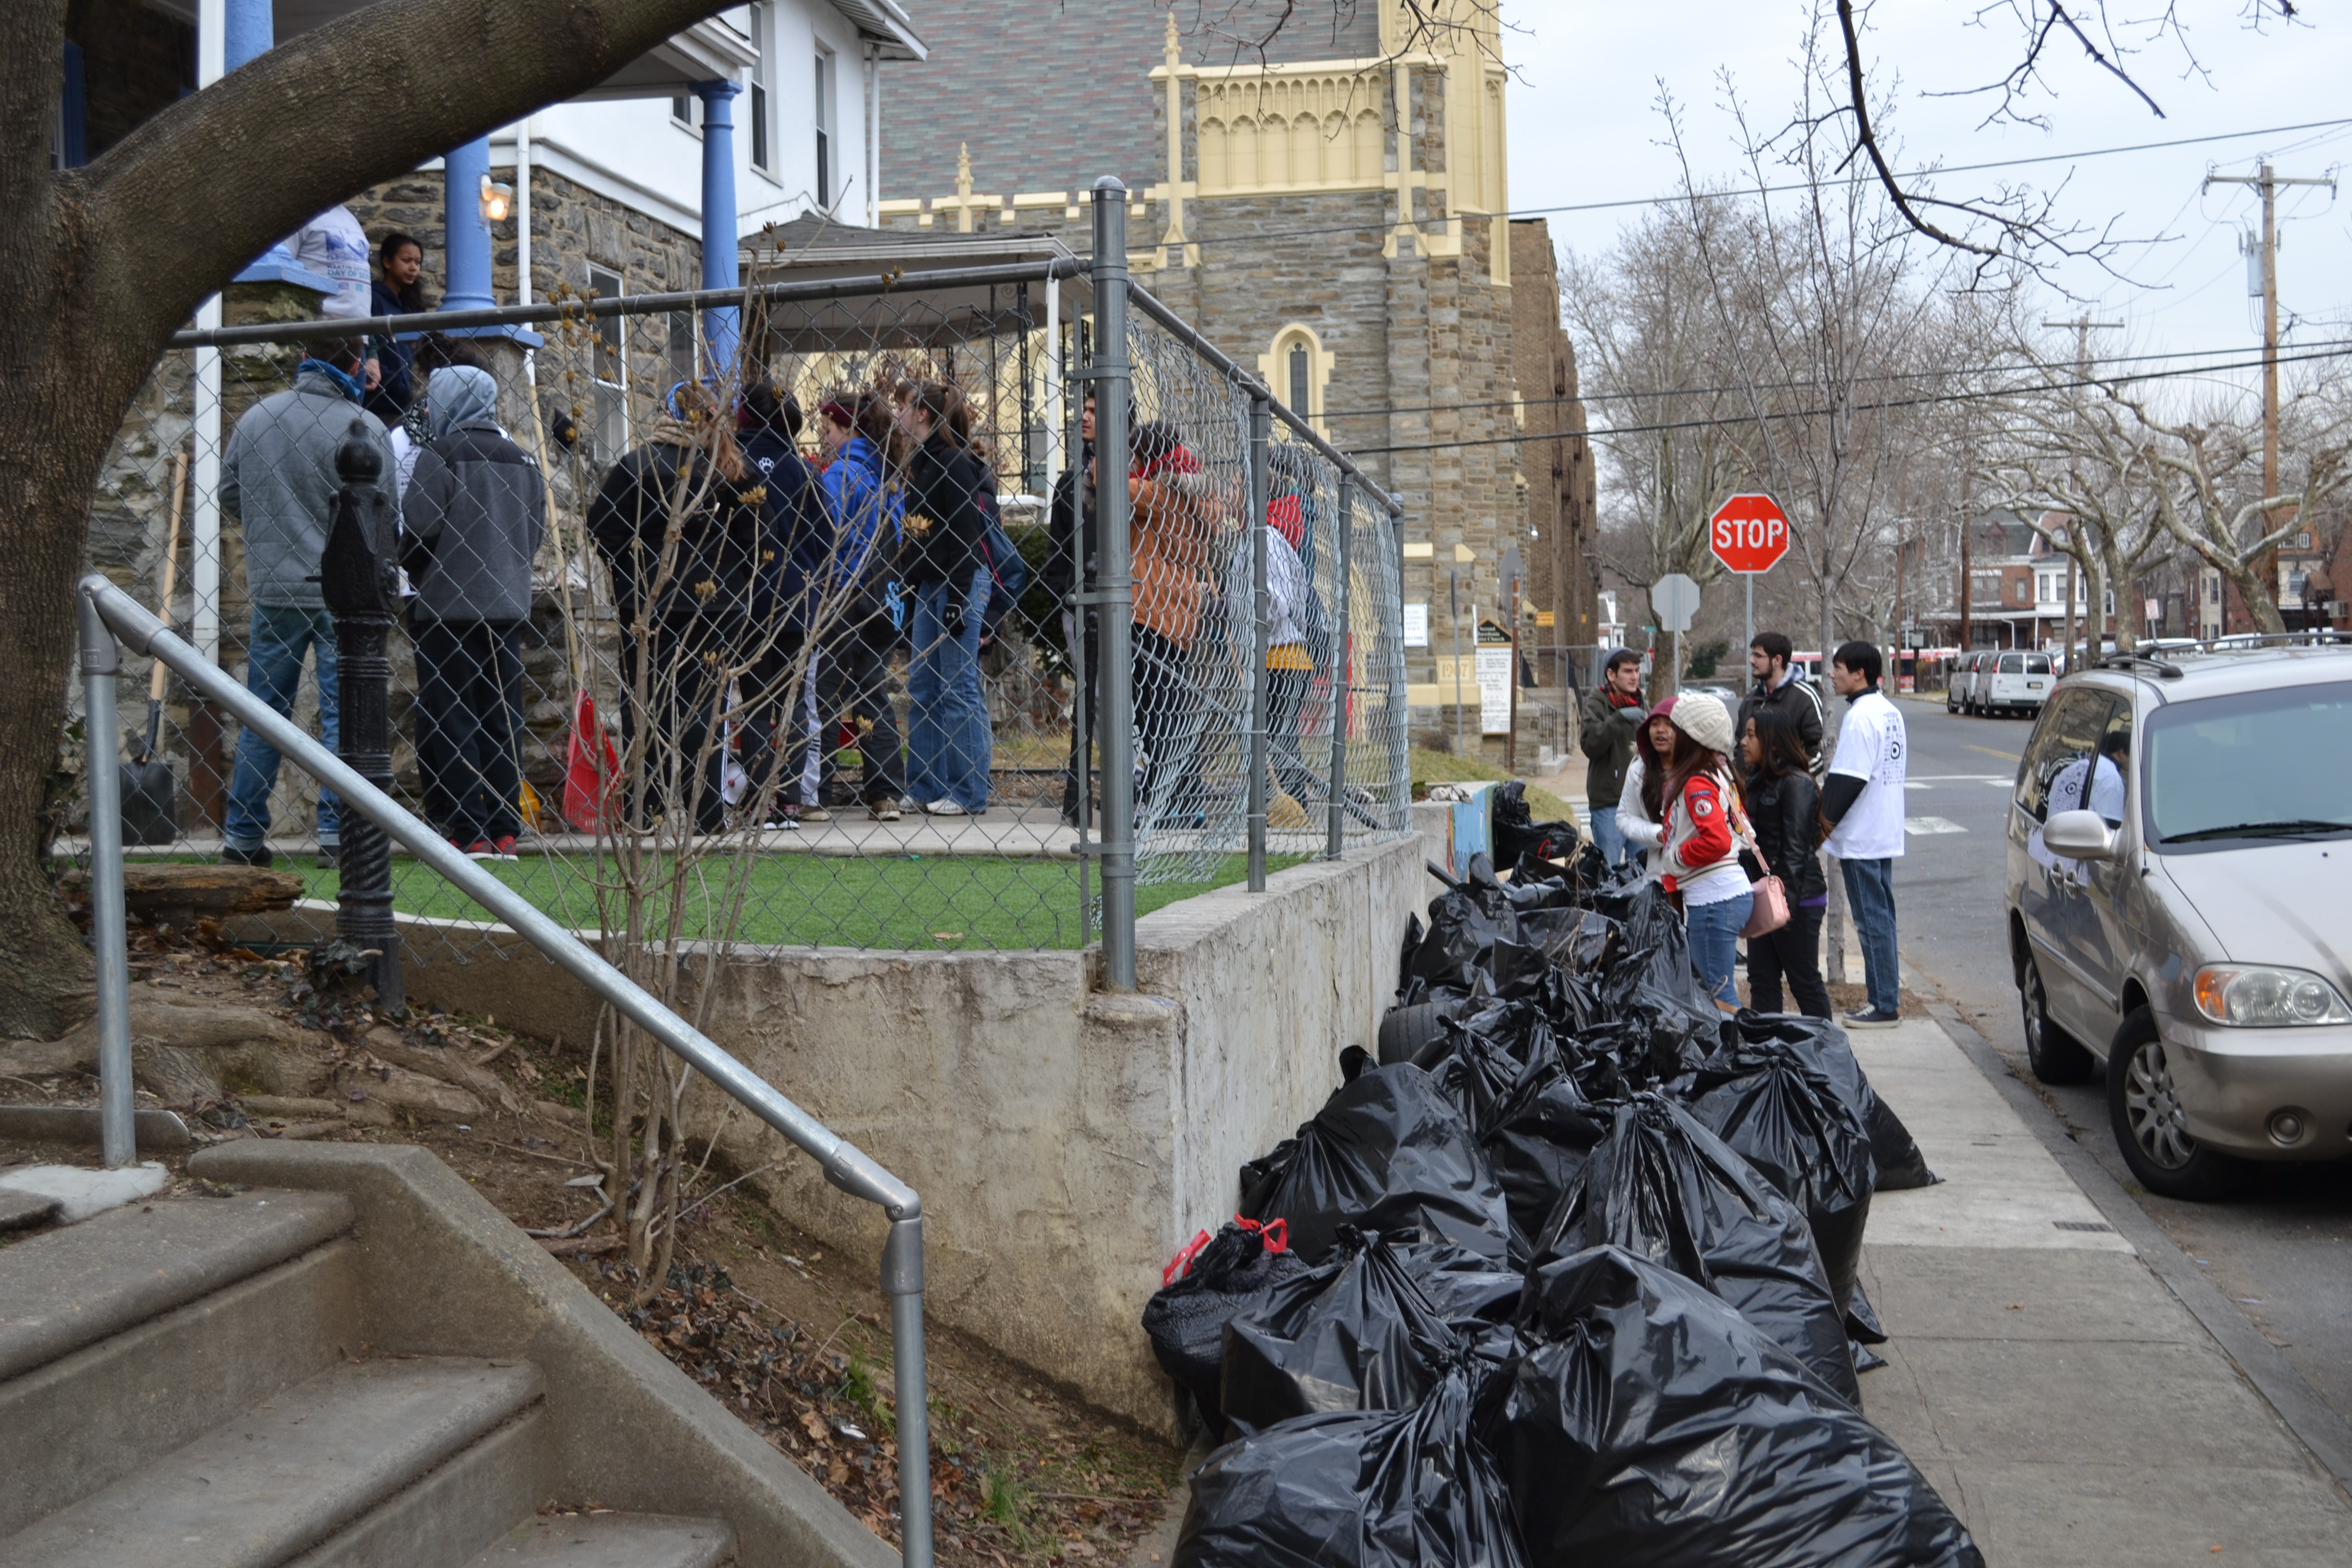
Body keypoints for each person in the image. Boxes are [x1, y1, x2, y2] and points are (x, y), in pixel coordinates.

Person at [218, 337, 396, 869]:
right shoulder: (367, 428)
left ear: (303, 356)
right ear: (355, 363)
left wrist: (277, 517)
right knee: (344, 711)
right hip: (345, 589)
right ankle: (336, 833)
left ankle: (242, 837)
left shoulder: (257, 419)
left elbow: (232, 493)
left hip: (276, 584)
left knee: (263, 712)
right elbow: (387, 511)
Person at [585, 382, 761, 836]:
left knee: (644, 704)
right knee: (706, 708)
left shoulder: (637, 466)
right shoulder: (730, 473)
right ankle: (706, 814)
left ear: (665, 413)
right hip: (715, 607)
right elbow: (758, 542)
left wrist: (633, 571)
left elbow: (602, 529)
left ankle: (645, 811)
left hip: (650, 604)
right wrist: (729, 582)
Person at [399, 364, 546, 859]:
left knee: (453, 718)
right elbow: (534, 533)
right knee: (502, 717)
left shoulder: (439, 456)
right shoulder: (524, 462)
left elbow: (419, 529)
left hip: (447, 609)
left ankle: (470, 828)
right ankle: (507, 826)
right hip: (505, 607)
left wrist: (421, 574)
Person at [897, 381, 995, 817]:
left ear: (921, 414)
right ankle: (924, 785)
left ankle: (968, 791)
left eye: (903, 407)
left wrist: (958, 598)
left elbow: (966, 536)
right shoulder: (921, 463)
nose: (897, 414)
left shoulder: (953, 463)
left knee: (957, 688)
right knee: (922, 686)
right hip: (929, 586)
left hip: (960, 582)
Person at [739, 382, 829, 829]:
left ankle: (757, 799)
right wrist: (806, 571)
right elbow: (827, 534)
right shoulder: (801, 469)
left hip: (746, 596)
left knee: (754, 700)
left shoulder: (728, 461)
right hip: (796, 595)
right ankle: (789, 801)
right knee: (791, 700)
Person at [814, 394, 906, 820]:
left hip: (842, 594)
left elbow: (824, 536)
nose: (825, 437)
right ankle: (885, 793)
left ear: (848, 428)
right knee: (873, 690)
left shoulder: (839, 475)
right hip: (882, 597)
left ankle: (816, 791)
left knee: (825, 693)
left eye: (829, 428)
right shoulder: (889, 477)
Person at [1128, 420, 1217, 819]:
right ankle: (1187, 799)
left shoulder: (1157, 494)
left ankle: (1175, 801)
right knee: (1172, 711)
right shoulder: (1194, 495)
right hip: (1178, 616)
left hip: (1147, 610)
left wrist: (1103, 457)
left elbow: (1107, 479)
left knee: (1155, 715)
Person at [1223, 480, 1328, 813]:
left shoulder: (1264, 539)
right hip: (1276, 656)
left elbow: (1275, 602)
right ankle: (1288, 805)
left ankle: (1291, 805)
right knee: (1279, 738)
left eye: (1232, 491)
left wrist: (1242, 620)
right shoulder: (1258, 537)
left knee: (1278, 740)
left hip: (1278, 656)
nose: (1225, 499)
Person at [1821, 639, 1907, 1027]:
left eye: (1838, 668)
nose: (1832, 674)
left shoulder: (1860, 717)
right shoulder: (1889, 712)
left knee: (1872, 921)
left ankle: (1884, 1004)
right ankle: (1884, 999)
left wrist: (1819, 827)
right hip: (1881, 831)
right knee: (1881, 919)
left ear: (1859, 673)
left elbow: (1847, 780)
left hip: (1862, 835)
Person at [1655, 693, 1754, 1011]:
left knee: (1718, 997)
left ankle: (1737, 1057)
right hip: (1721, 895)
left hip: (1714, 900)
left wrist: (1676, 858)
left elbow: (1718, 841)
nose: (1670, 734)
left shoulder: (1697, 782)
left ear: (1691, 737)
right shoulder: (1720, 772)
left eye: (1677, 729)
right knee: (1715, 990)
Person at [1742, 707, 1832, 1017]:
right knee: (1762, 980)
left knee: (1803, 981)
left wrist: (1787, 911)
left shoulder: (1797, 784)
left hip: (1798, 900)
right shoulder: (1756, 782)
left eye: (1751, 736)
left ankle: (1827, 1055)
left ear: (1774, 742)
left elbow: (1794, 852)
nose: (1743, 742)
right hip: (1764, 896)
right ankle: (1768, 1052)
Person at [1045, 394, 1100, 825]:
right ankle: (1079, 795)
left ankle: (1136, 777)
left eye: (1095, 411)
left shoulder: (1134, 479)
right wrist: (1065, 594)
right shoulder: (1069, 484)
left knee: (1128, 698)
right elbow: (1057, 551)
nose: (1083, 416)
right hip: (1079, 604)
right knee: (1092, 698)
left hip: (1131, 607)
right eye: (1083, 409)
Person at [1578, 649, 1644, 867]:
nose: (1634, 676)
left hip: (1641, 803)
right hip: (1609, 803)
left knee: (1643, 872)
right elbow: (1590, 746)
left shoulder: (1641, 704)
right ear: (1611, 675)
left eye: (1636, 670)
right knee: (1609, 871)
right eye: (1627, 671)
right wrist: (1618, 719)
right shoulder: (1597, 703)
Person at [1736, 631, 1826, 775]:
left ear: (1778, 660)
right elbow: (1739, 749)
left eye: (1758, 656)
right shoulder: (1751, 698)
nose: (1752, 660)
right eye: (1753, 655)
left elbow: (1820, 751)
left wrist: (1790, 782)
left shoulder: (1805, 698)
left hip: (1789, 794)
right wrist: (1743, 782)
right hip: (1751, 794)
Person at [364, 232, 429, 427]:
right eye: (406, 260)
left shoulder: (411, 306)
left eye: (418, 263)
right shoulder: (373, 298)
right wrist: (395, 383)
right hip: (381, 400)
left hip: (407, 402)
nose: (413, 268)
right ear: (387, 261)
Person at [1616, 695, 1679, 875]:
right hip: (1659, 873)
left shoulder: (1699, 769)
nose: (1661, 730)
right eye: (1655, 724)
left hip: (1697, 877)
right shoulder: (1639, 769)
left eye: (1669, 724)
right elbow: (1624, 818)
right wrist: (1657, 833)